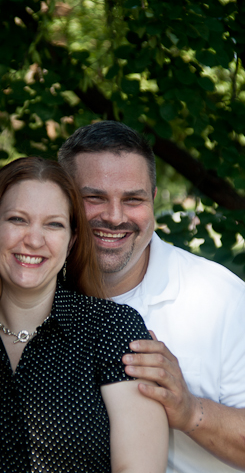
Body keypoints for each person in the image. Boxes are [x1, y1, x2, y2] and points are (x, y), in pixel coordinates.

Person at [58, 121, 245, 473]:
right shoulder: (35, 299)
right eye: (94, 197)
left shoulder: (221, 300)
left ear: (154, 199)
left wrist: (191, 411)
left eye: (133, 199)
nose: (114, 217)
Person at [0, 157, 168, 473]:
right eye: (18, 219)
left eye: (54, 224)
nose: (34, 240)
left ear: (72, 240)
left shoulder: (113, 330)